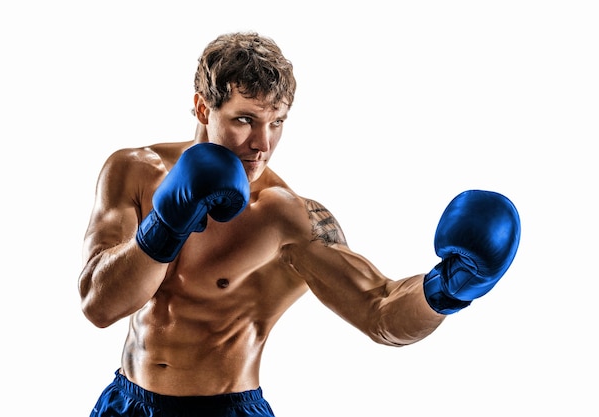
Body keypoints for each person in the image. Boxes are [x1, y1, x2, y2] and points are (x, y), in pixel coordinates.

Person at [78, 31, 521, 417]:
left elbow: (379, 311)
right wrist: (168, 220)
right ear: (201, 107)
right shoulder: (133, 171)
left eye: (277, 122)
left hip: (225, 409)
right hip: (128, 402)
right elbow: (99, 305)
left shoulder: (286, 218)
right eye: (245, 120)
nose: (262, 144)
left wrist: (450, 287)